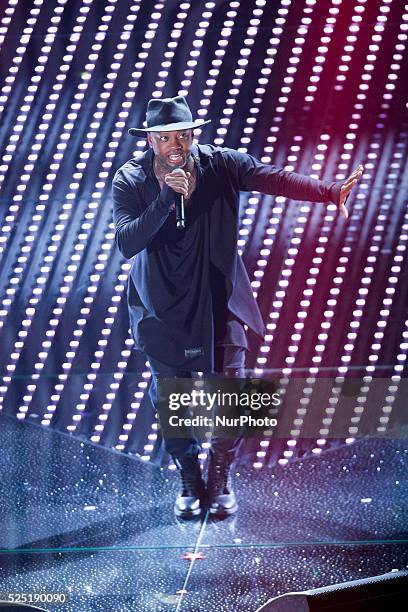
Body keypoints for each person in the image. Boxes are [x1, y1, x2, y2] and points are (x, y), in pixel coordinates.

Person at [112, 96, 363, 519]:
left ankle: (220, 475)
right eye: (166, 137)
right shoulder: (131, 179)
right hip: (162, 306)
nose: (177, 145)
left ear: (194, 135)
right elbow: (127, 242)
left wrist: (330, 192)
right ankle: (189, 478)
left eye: (184, 135)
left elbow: (275, 178)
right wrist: (164, 200)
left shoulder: (221, 164)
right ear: (152, 140)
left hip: (218, 299)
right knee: (171, 401)